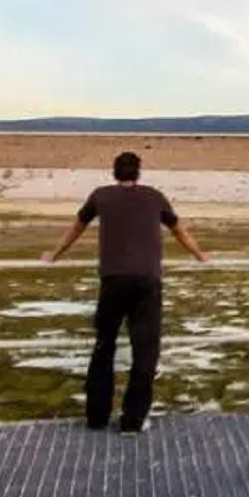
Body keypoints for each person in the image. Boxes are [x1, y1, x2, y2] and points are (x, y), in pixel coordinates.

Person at [42, 151, 210, 433]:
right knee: (144, 351)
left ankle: (96, 417)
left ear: (114, 172)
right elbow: (179, 230)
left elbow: (77, 227)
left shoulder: (100, 195)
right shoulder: (154, 197)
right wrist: (200, 255)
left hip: (113, 281)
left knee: (103, 347)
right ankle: (132, 421)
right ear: (138, 172)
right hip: (146, 282)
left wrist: (55, 255)